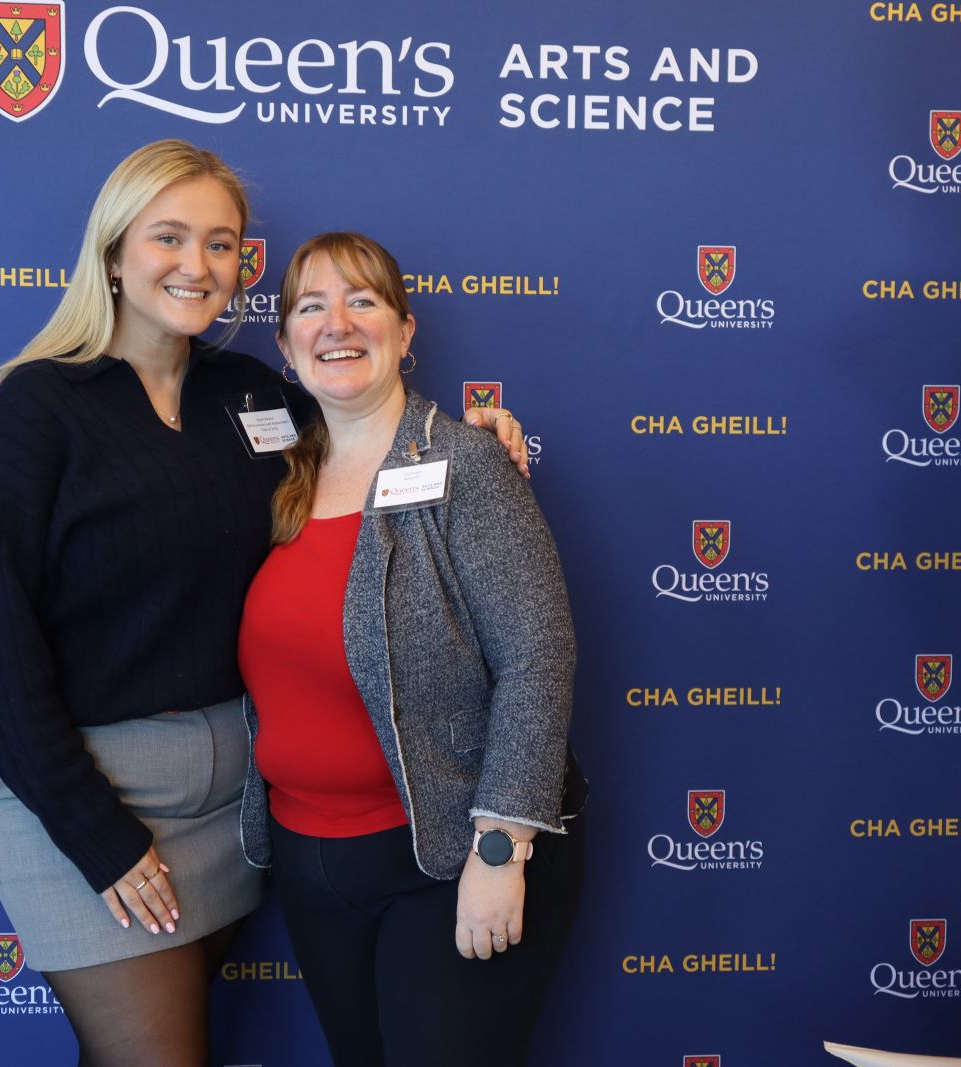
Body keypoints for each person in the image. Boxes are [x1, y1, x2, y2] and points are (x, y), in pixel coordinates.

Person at [0, 143, 529, 1067]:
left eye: (222, 244)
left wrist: (469, 441)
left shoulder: (250, 393)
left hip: (238, 795)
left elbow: (364, 436)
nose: (197, 264)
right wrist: (96, 832)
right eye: (168, 237)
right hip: (86, 786)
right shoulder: (39, 408)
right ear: (113, 254)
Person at [237, 232, 586, 1067]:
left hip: (446, 858)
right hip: (310, 863)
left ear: (404, 329)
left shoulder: (467, 461)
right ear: (284, 346)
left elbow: (539, 655)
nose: (338, 323)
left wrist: (500, 851)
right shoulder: (275, 479)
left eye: (362, 300)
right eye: (310, 307)